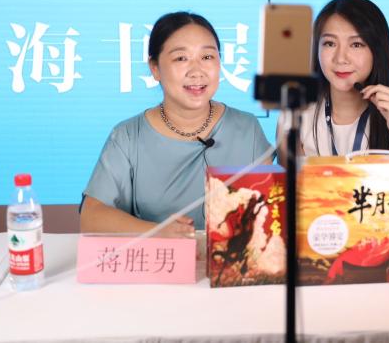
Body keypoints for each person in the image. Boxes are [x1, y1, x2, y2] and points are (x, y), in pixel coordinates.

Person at [81, 12, 272, 237]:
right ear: (155, 68)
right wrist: (156, 233)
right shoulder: (128, 136)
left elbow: (272, 211)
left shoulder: (247, 128)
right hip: (161, 257)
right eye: (181, 58)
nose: (197, 71)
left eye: (207, 57)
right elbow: (91, 217)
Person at [277, 0, 389, 160]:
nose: (341, 58)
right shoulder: (295, 115)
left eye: (356, 44)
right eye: (330, 43)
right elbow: (290, 177)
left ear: (377, 51)